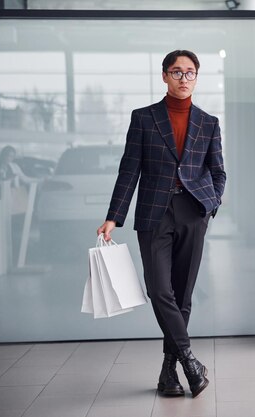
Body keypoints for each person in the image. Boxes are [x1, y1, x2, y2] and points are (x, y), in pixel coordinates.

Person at [97, 50, 226, 398]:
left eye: (190, 72)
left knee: (183, 294)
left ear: (197, 77)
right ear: (164, 76)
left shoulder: (209, 122)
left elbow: (218, 172)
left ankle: (169, 371)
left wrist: (210, 205)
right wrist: (114, 217)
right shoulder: (143, 118)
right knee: (159, 289)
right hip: (154, 212)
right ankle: (189, 361)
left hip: (193, 212)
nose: (183, 78)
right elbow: (129, 170)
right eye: (176, 72)